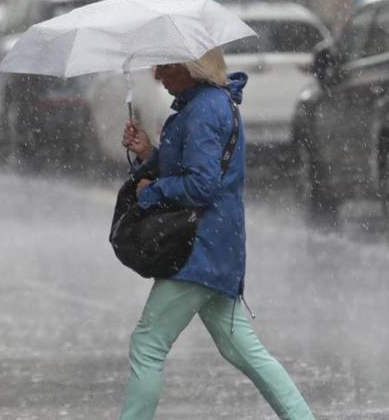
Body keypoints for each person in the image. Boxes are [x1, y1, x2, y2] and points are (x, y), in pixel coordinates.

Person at [119, 47, 315, 419]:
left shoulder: (205, 110)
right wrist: (149, 155)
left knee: (148, 343)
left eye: (166, 66)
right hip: (216, 246)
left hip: (199, 249)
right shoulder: (203, 105)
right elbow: (189, 164)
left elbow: (202, 185)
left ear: (190, 66)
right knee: (241, 349)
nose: (159, 75)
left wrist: (151, 193)